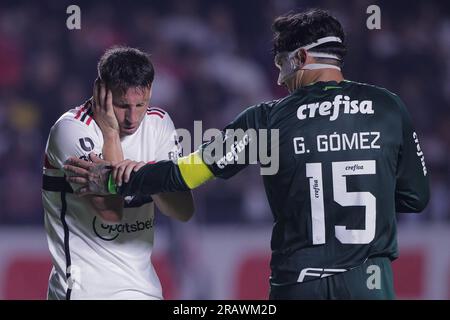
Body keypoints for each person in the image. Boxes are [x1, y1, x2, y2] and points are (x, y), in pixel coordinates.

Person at [64, 9, 429, 299]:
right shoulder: (388, 108)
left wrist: (116, 177)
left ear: (301, 57)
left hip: (299, 284)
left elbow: (188, 174)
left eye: (282, 64)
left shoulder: (267, 120)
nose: (281, 78)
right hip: (369, 283)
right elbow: (416, 198)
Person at [42, 46, 194, 300]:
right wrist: (111, 136)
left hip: (144, 289)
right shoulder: (71, 130)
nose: (132, 118)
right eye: (123, 105)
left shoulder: (159, 124)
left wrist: (146, 175)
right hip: (84, 290)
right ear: (101, 91)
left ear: (151, 92)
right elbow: (112, 211)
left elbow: (183, 211)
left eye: (140, 104)